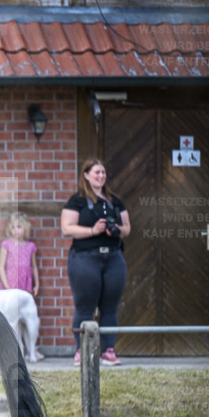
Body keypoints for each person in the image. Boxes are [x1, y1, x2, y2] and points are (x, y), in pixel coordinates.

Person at [60, 157, 131, 366]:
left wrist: (116, 230)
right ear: (86, 175)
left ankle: (108, 351)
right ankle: (82, 351)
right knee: (84, 308)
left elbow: (127, 228)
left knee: (110, 308)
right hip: (84, 259)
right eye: (96, 172)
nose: (101, 176)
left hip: (113, 258)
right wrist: (93, 230)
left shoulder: (115, 201)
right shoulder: (77, 201)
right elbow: (67, 228)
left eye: (103, 172)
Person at [0, 212, 39, 296]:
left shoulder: (31, 246)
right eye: (13, 228)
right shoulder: (6, 244)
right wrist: (6, 287)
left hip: (25, 283)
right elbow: (1, 266)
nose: (15, 230)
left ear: (25, 227)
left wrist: (37, 285)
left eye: (19, 227)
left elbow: (34, 267)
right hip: (10, 283)